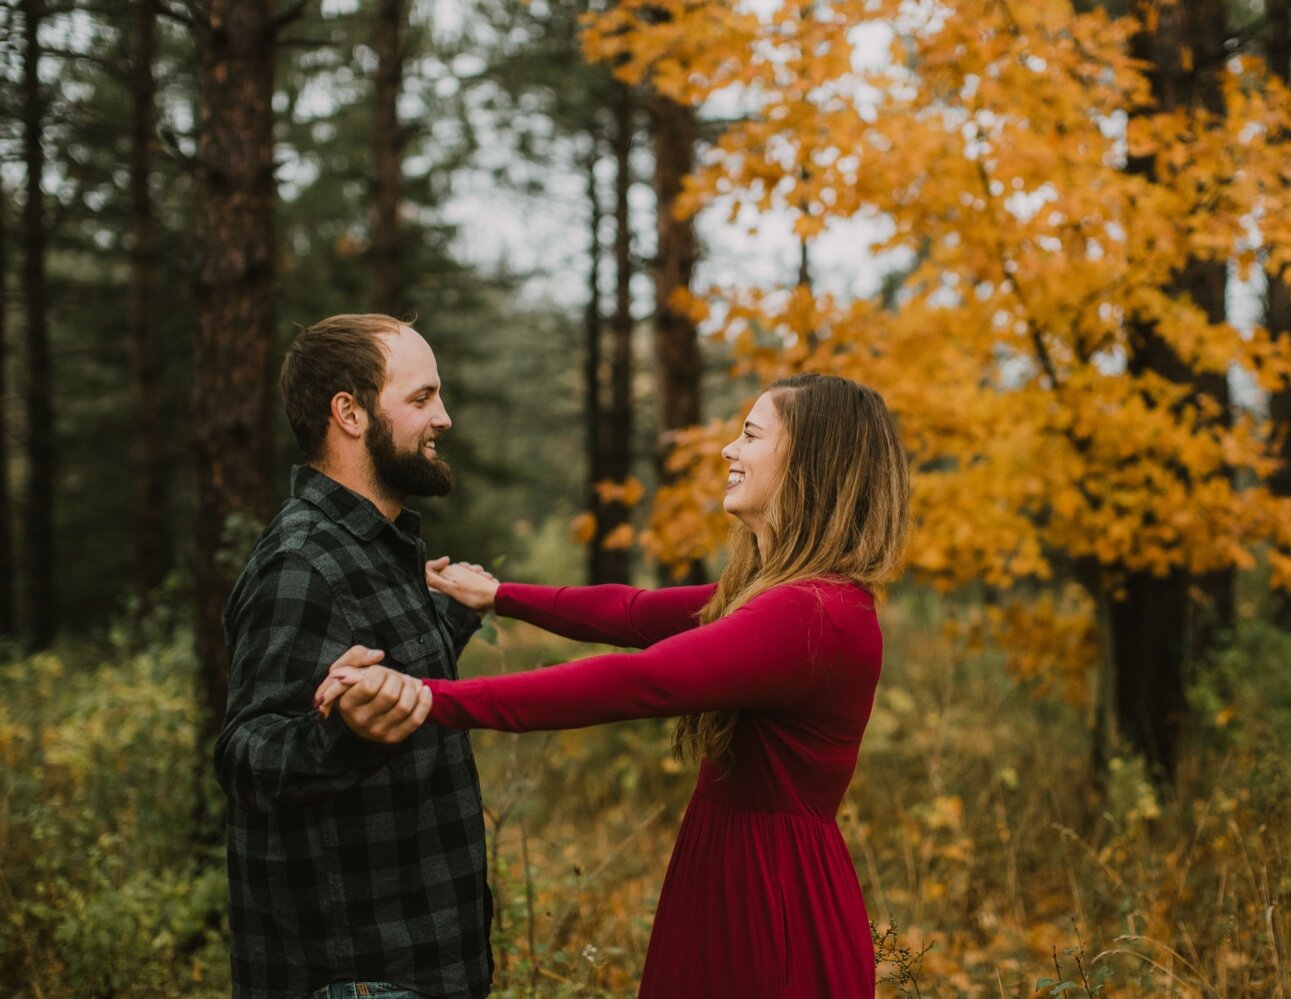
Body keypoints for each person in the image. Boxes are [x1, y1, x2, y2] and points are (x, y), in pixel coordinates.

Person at [317, 372, 911, 998]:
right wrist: (500, 595)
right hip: (737, 868)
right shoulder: (784, 598)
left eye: (750, 435)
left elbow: (638, 682)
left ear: (809, 465)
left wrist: (428, 697)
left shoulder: (810, 614)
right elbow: (632, 612)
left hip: (772, 895)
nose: (728, 451)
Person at [216, 314, 492, 999]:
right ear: (349, 412)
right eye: (423, 398)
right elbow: (246, 754)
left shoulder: (376, 544)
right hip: (357, 975)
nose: (445, 418)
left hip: (421, 960)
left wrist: (457, 610)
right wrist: (340, 732)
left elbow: (391, 674)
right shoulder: (302, 561)